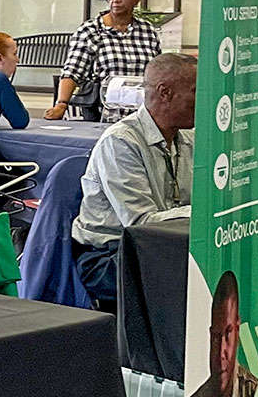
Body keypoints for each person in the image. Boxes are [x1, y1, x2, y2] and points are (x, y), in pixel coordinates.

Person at [72, 53, 198, 304]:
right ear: (165, 92)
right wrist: (205, 213)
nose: (206, 99)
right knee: (189, 283)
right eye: (196, 91)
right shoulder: (121, 142)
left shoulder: (189, 139)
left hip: (161, 247)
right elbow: (141, 223)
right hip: (110, 255)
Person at [49, 0, 162, 121]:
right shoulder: (90, 30)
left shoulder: (147, 31)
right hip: (102, 113)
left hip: (142, 113)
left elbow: (157, 72)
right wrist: (61, 105)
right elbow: (72, 71)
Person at [191, 271, 258, 397]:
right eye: (216, 337)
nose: (221, 353)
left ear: (237, 333)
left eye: (228, 335)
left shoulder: (254, 392)